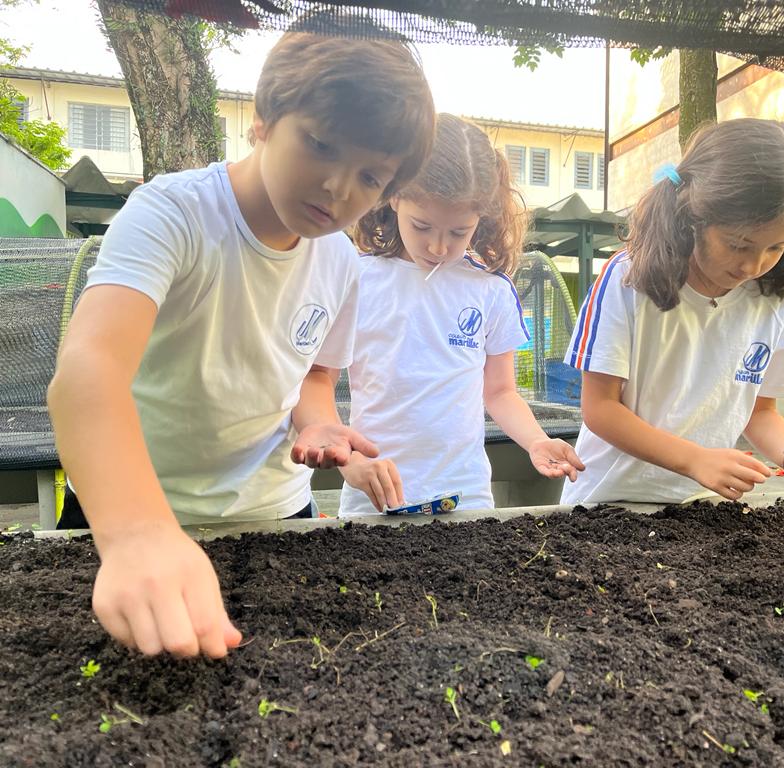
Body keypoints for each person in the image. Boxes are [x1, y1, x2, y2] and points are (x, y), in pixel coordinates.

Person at [46, 31, 436, 658]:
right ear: (264, 118)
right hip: (132, 516)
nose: (339, 188)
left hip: (274, 516)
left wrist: (319, 425)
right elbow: (90, 368)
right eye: (321, 145)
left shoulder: (340, 260)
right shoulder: (173, 213)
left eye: (370, 176)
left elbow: (313, 377)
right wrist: (137, 533)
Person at [560, 118, 784, 506]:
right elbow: (600, 408)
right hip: (606, 502)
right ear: (693, 217)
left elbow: (760, 411)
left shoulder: (776, 294)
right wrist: (694, 460)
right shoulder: (628, 278)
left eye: (776, 247)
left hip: (703, 505)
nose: (754, 265)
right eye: (738, 245)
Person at [343, 113, 584, 515]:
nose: (439, 247)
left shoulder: (489, 288)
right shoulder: (356, 278)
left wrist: (536, 440)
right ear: (394, 196)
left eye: (458, 232)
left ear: (481, 219)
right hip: (373, 495)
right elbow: (317, 379)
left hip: (464, 496)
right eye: (422, 226)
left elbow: (500, 391)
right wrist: (349, 461)